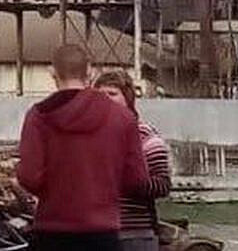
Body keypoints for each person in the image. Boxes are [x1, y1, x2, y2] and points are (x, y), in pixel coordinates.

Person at [16, 44, 150, 251]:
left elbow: (29, 177)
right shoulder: (122, 118)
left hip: (52, 231)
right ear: (89, 71)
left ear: (52, 72)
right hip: (103, 232)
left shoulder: (38, 116)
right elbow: (137, 180)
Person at [94, 70, 172, 251]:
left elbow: (163, 185)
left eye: (112, 94)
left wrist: (130, 179)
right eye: (100, 95)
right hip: (94, 233)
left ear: (127, 98)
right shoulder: (87, 136)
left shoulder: (144, 135)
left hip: (134, 234)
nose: (105, 99)